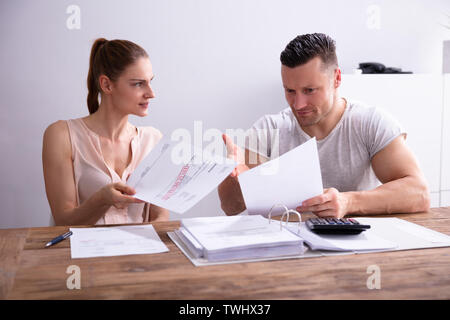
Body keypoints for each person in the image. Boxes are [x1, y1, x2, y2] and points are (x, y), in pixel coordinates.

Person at [218, 33, 430, 218]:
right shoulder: (267, 130)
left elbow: (419, 194)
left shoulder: (370, 124)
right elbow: (230, 207)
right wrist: (234, 177)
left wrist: (349, 202)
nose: (298, 104)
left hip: (353, 251)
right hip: (284, 252)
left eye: (309, 90)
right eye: (290, 91)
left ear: (336, 78)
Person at [42, 38, 169, 225]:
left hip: (140, 252)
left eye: (150, 82)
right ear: (107, 85)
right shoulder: (62, 136)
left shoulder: (153, 139)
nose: (151, 93)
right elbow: (63, 220)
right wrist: (102, 199)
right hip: (82, 253)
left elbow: (160, 216)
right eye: (138, 84)